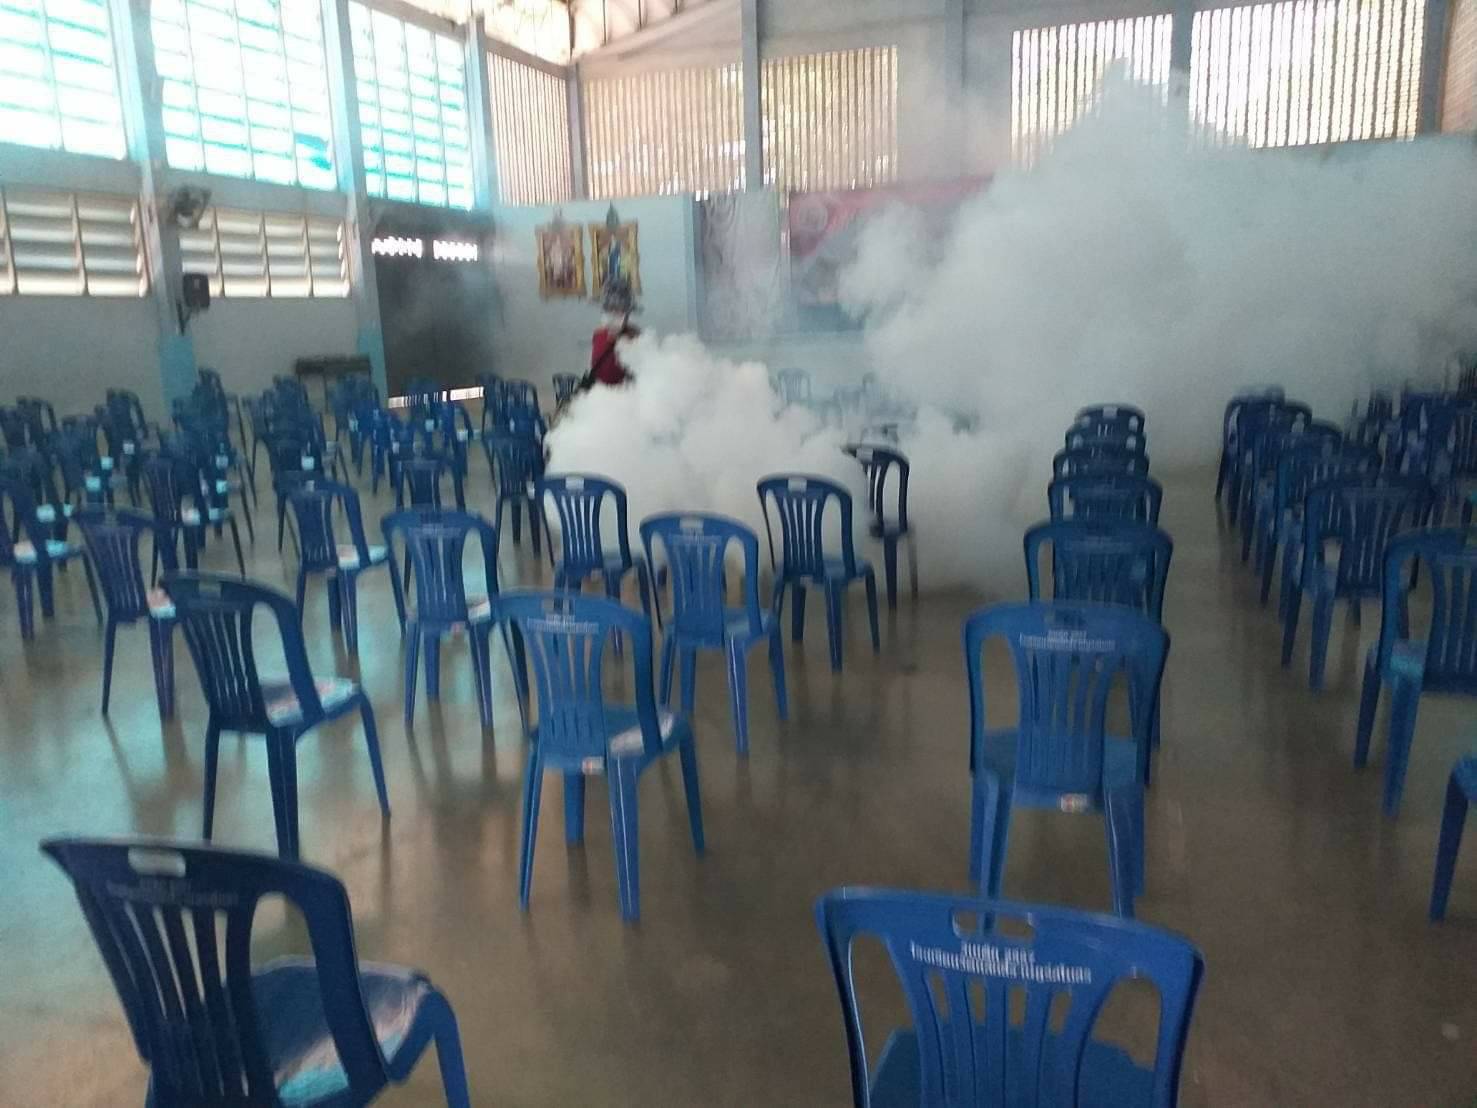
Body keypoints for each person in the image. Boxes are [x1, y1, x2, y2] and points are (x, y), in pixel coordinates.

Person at [585, 275, 640, 390]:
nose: (613, 313)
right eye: (609, 309)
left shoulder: (634, 337)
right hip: (607, 394)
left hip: (621, 393)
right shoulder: (599, 335)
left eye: (618, 310)